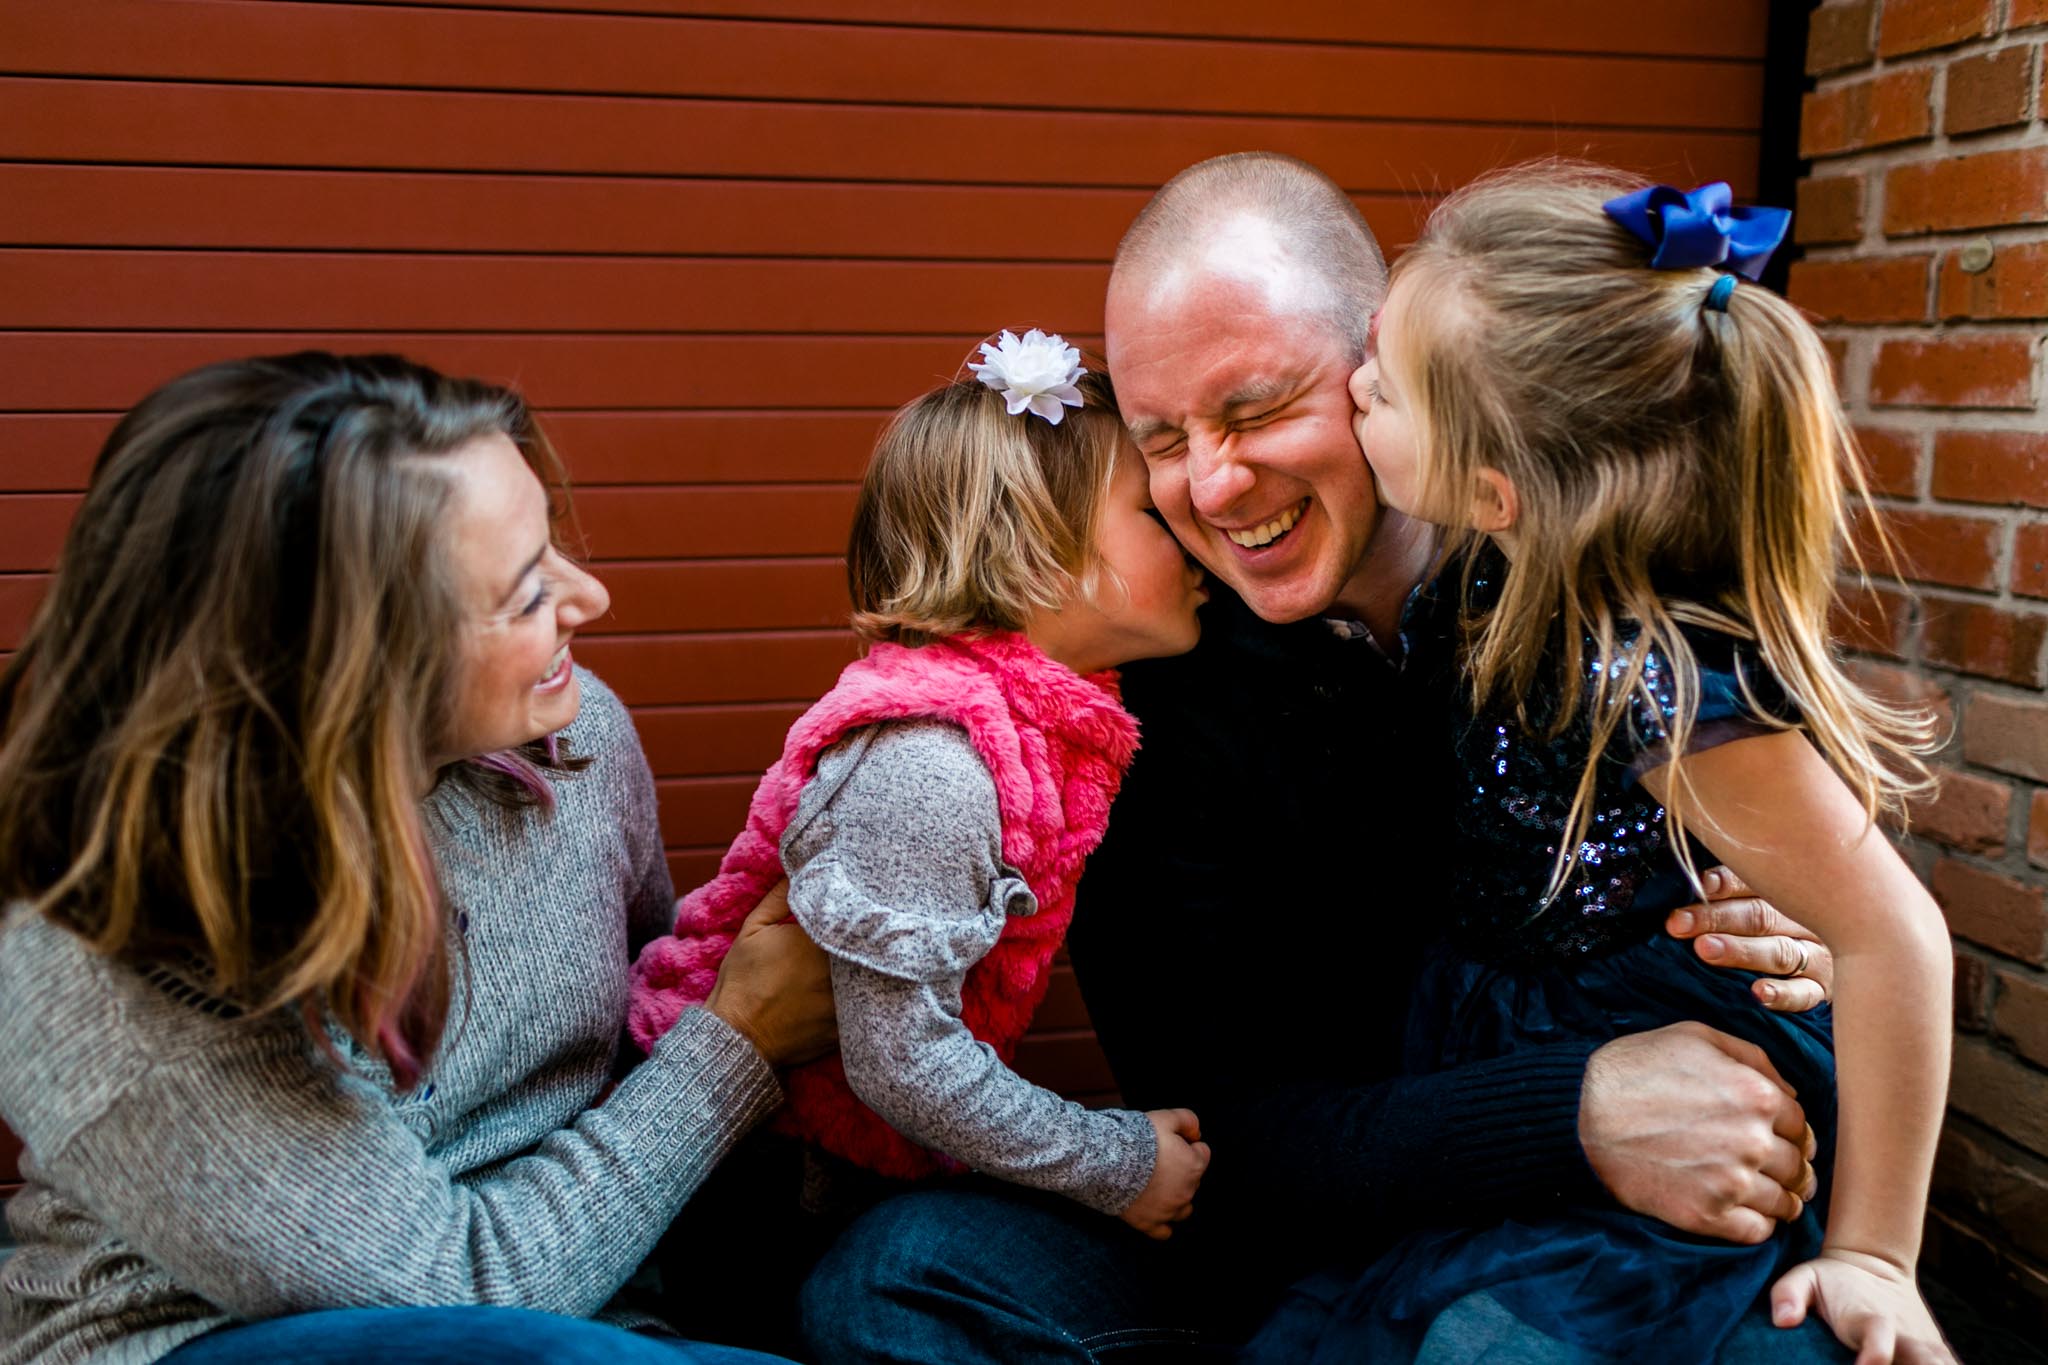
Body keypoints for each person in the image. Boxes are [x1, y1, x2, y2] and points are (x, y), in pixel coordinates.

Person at [803, 154, 1857, 1361]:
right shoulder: (1140, 693)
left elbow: (1839, 956)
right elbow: (1217, 1124)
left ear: (1385, 367)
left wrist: (1808, 946)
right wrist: (1566, 1113)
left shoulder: (1593, 598)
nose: (1211, 483)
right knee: (900, 1278)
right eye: (1160, 439)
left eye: (1251, 411)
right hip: (1318, 1219)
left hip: (1610, 1240)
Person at [1242, 163, 1956, 1362]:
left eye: (1388, 386)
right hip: (1513, 1046)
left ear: (1493, 487)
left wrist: (1875, 1254)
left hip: (1677, 1075)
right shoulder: (1486, 575)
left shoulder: (1653, 682)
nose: (1353, 385)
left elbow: (1895, 935)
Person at [0, 353, 836, 1365]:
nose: (592, 598)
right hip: (234, 1338)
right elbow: (454, 1292)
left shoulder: (577, 741)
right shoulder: (127, 950)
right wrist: (737, 1042)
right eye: (526, 594)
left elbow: (644, 1036)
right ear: (356, 663)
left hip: (590, 1300)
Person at [630, 333, 1211, 1245]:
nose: (1192, 529)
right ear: (1042, 556)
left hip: (844, 1170)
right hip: (751, 1188)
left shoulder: (1042, 724)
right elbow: (898, 1062)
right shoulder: (930, 758)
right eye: (1149, 511)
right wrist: (1117, 1163)